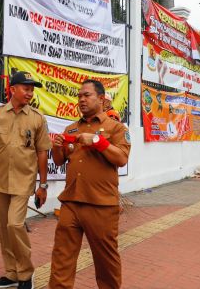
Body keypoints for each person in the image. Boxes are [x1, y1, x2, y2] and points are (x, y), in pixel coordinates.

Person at [0, 71, 51, 289]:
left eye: (32, 89)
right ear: (13, 89)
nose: (30, 93)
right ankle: (12, 273)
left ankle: (26, 274)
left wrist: (42, 185)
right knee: (5, 231)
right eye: (26, 88)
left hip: (23, 182)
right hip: (0, 182)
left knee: (15, 225)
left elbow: (43, 152)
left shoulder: (37, 118)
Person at [49, 80, 131, 289]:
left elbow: (121, 158)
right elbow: (60, 160)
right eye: (79, 96)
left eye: (87, 95)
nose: (82, 100)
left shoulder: (116, 128)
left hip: (101, 205)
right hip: (71, 203)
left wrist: (97, 141)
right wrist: (58, 147)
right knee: (62, 258)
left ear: (102, 99)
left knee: (106, 261)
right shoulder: (72, 127)